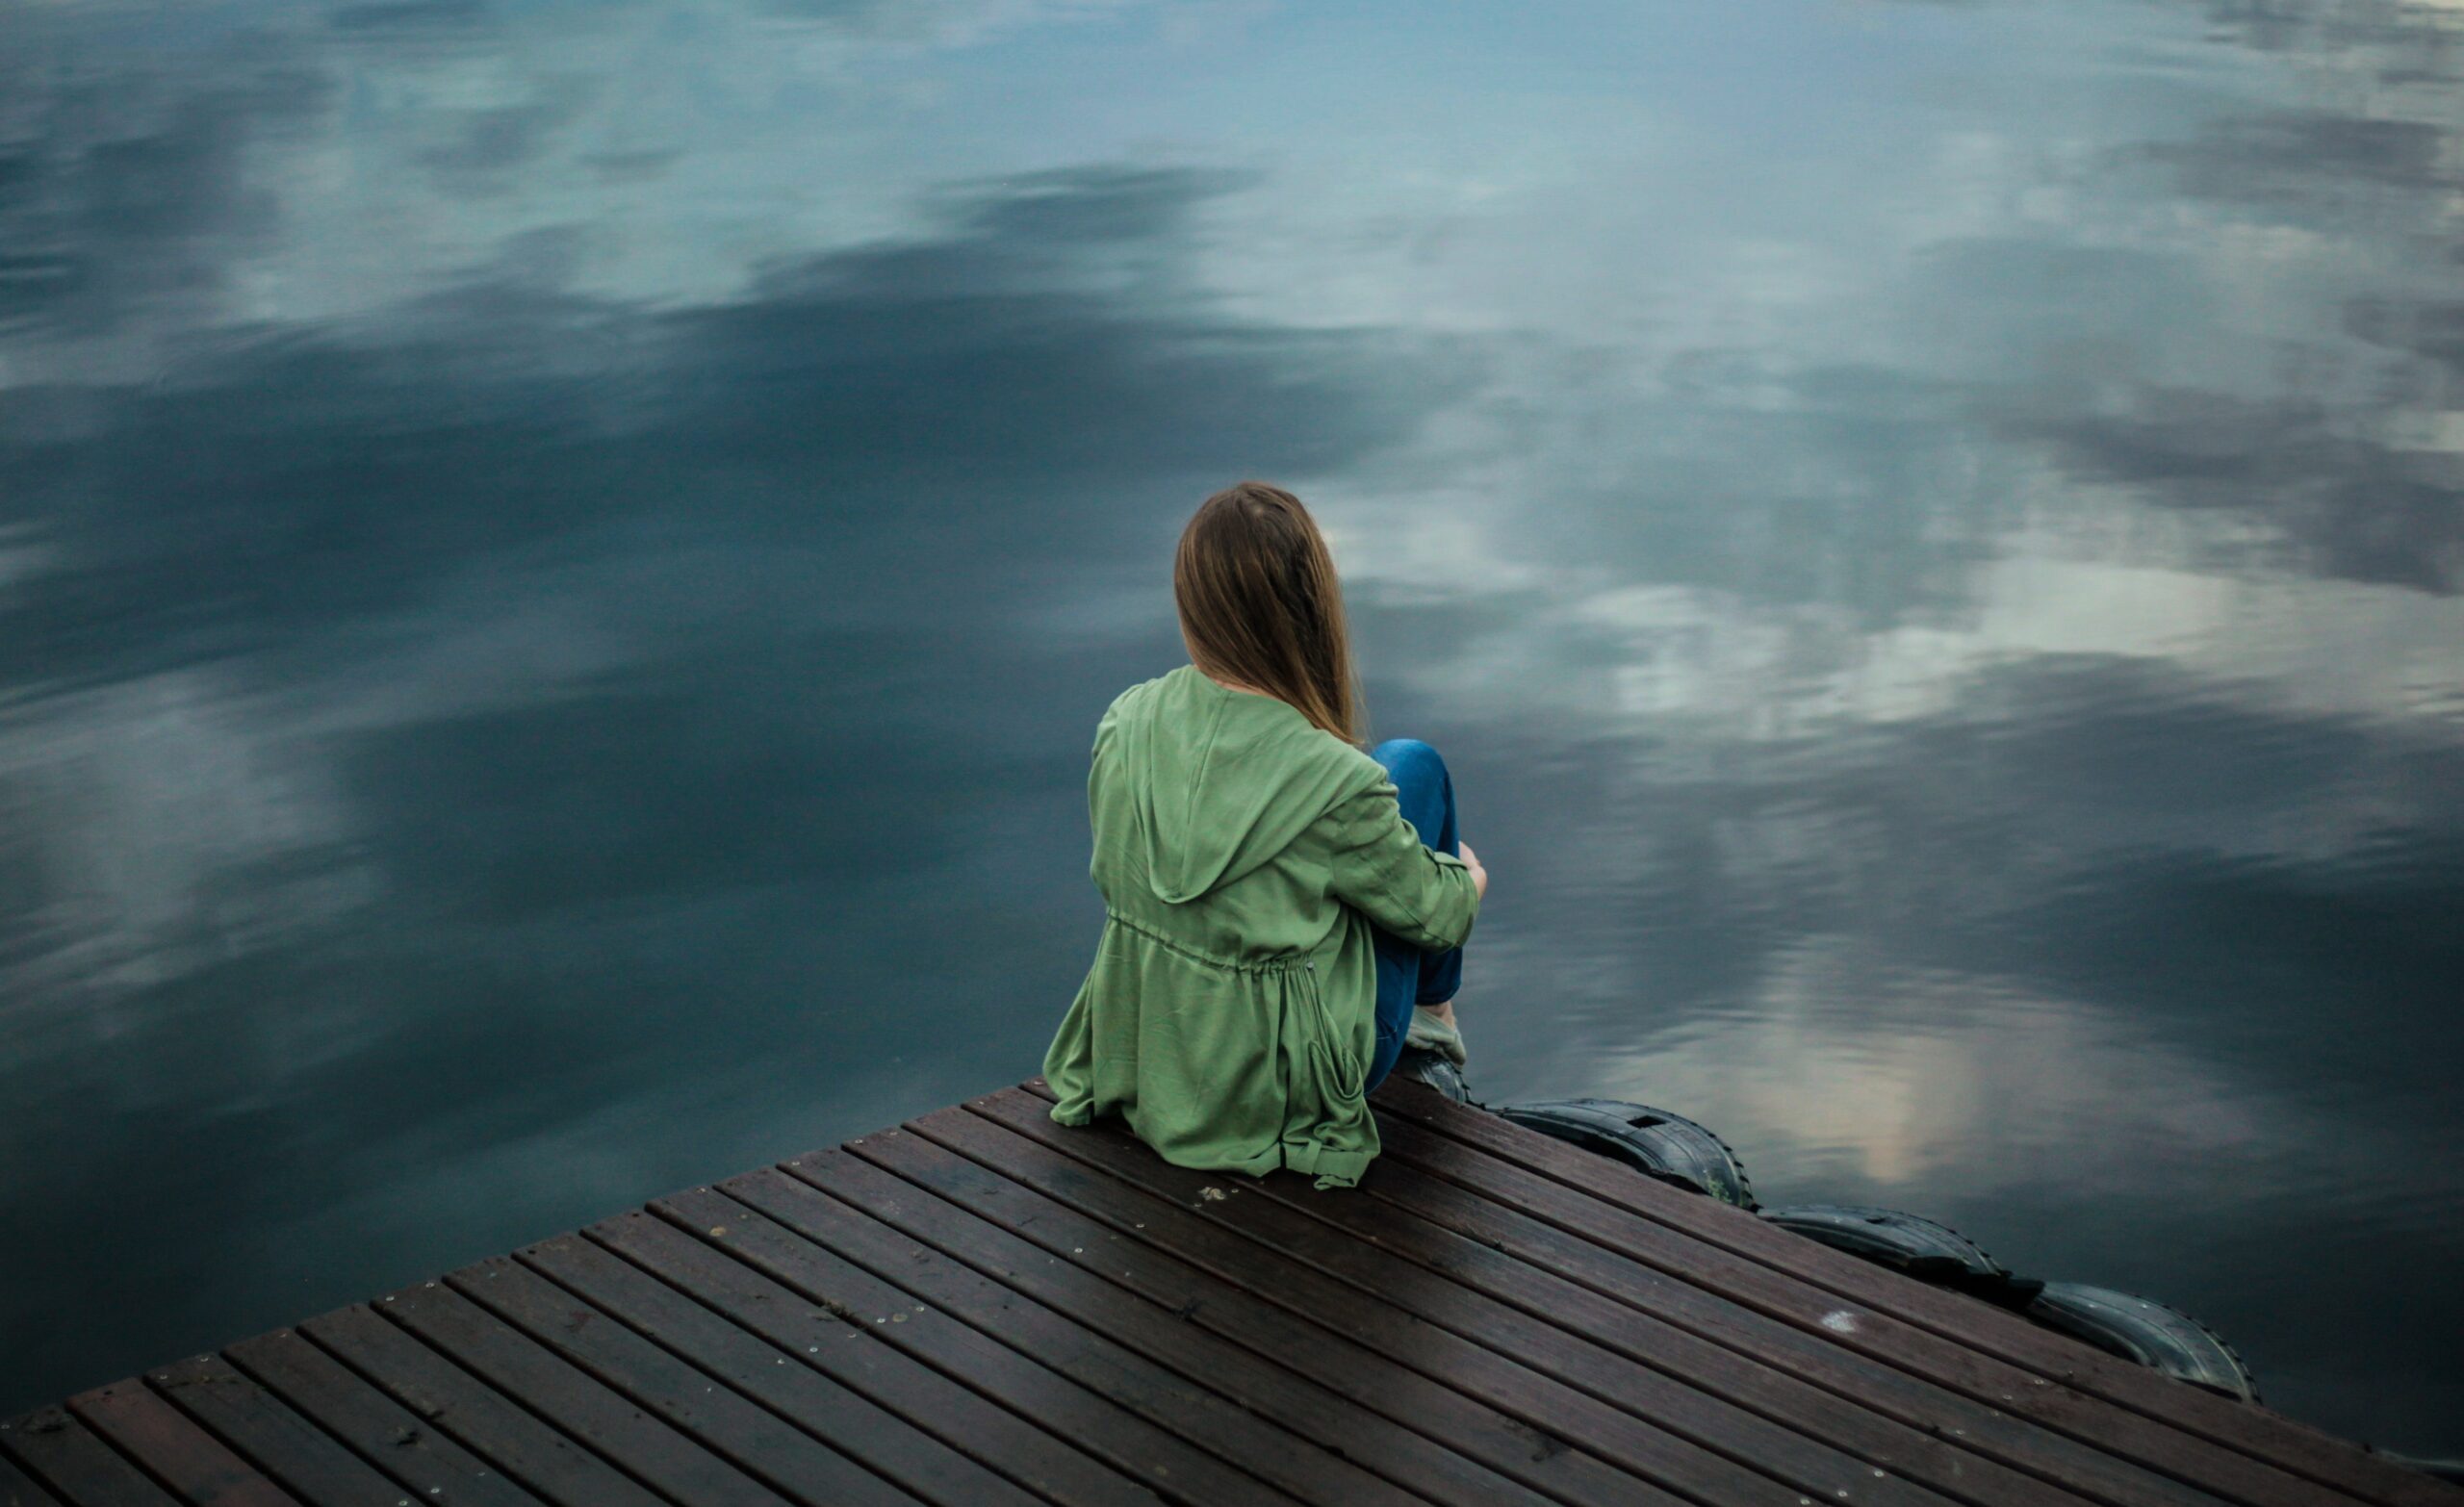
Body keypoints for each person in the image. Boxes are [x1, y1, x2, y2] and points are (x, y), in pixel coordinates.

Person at [1041, 480, 1488, 1188]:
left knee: (1386, 785)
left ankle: (1425, 1017)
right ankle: (1433, 1024)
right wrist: (1465, 877)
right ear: (1310, 609)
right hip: (1281, 1090)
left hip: (1155, 1056)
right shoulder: (1338, 782)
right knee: (1413, 766)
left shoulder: (1124, 722)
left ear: (1192, 604)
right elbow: (1444, 917)